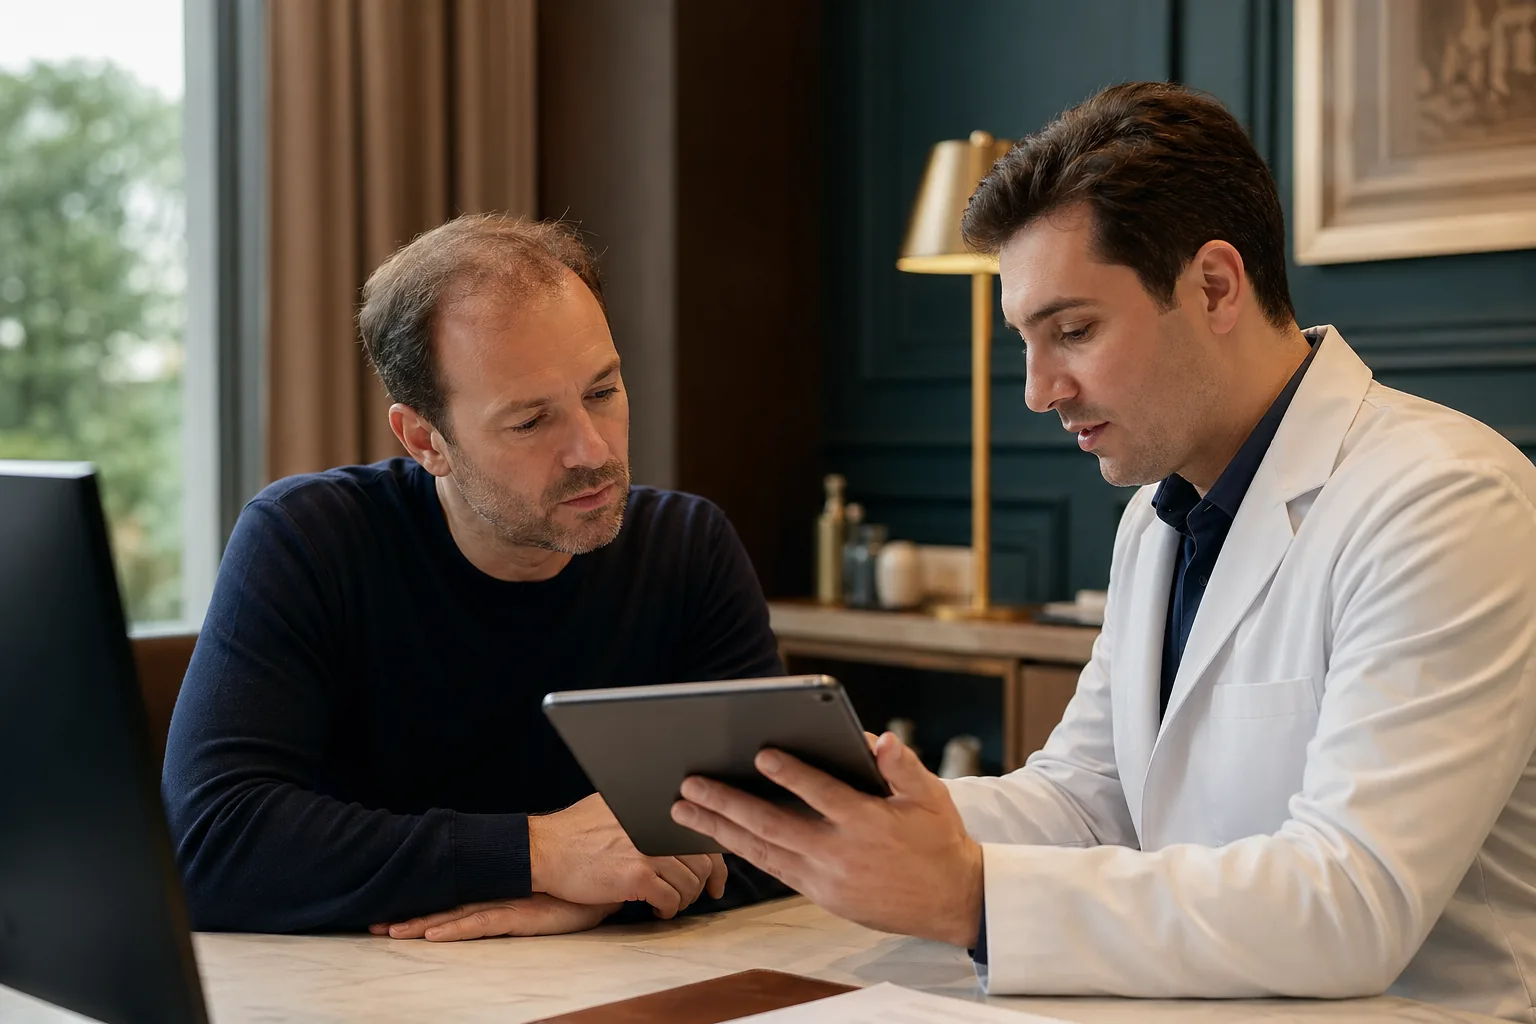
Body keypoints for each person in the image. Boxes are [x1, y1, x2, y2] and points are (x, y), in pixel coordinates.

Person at [671, 82, 1536, 1020]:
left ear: (1213, 286)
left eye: (1073, 332)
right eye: (1026, 344)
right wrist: (863, 820)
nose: (1040, 391)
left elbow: (1354, 901)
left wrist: (969, 894)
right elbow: (1090, 801)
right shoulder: (1156, 519)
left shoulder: (1444, 500)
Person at [163, 215, 788, 941]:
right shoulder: (309, 539)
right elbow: (211, 846)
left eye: (602, 391)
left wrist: (592, 897)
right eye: (530, 423)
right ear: (426, 440)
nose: (590, 450)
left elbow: (786, 835)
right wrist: (539, 853)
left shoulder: (687, 547)